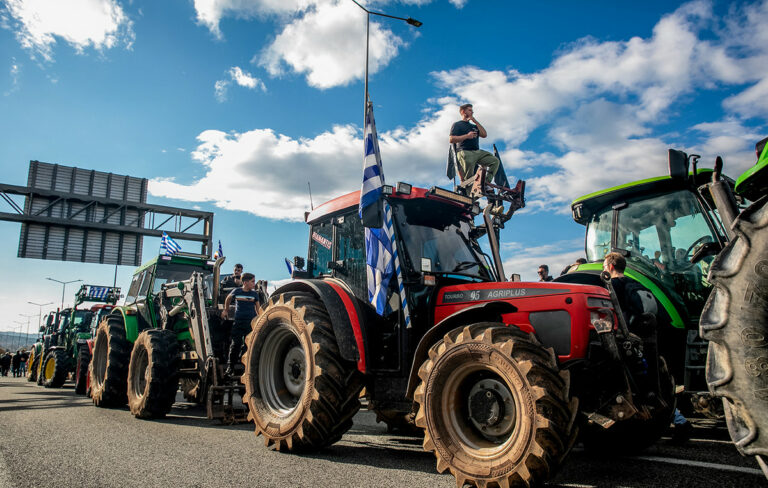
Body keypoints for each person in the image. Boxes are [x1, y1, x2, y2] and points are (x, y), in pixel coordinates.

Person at [603, 252, 692, 441]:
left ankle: (675, 421)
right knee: (652, 384)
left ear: (610, 267)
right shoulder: (639, 284)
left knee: (638, 386)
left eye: (604, 266)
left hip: (627, 340)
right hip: (647, 340)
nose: (604, 269)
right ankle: (679, 420)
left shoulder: (614, 286)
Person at [449, 104, 500, 196]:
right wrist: (467, 136)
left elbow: (484, 134)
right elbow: (451, 139)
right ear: (463, 112)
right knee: (469, 177)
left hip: (477, 152)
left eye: (472, 110)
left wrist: (475, 121)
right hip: (464, 151)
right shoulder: (457, 124)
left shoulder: (473, 126)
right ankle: (470, 197)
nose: (472, 112)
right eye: (469, 110)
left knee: (494, 161)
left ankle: (485, 183)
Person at [222, 272, 261, 376]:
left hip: (250, 323)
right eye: (252, 282)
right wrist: (225, 310)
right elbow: (228, 299)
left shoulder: (254, 294)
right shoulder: (237, 291)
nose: (254, 284)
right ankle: (230, 367)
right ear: (245, 282)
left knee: (248, 345)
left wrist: (260, 318)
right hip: (239, 322)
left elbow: (258, 309)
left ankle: (245, 367)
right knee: (235, 344)